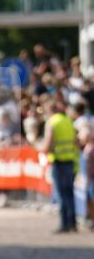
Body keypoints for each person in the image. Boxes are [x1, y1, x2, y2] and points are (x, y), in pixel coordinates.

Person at [43, 96, 80, 233]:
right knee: (70, 193)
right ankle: (73, 223)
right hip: (70, 160)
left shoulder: (52, 122)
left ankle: (65, 224)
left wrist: (40, 147)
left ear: (49, 109)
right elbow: (76, 141)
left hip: (58, 161)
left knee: (61, 193)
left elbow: (48, 145)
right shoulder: (68, 121)